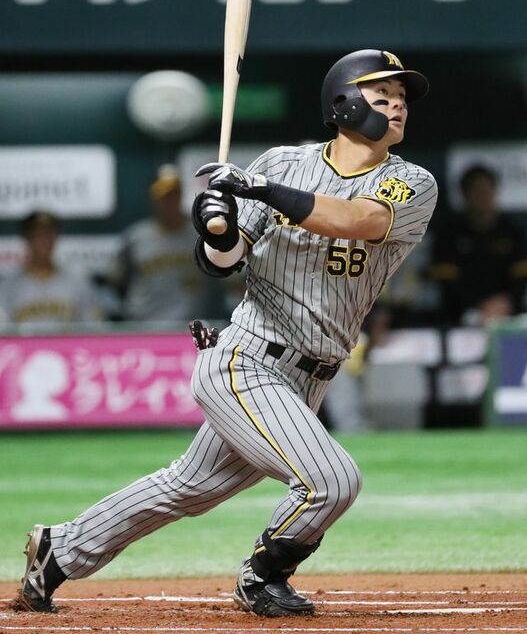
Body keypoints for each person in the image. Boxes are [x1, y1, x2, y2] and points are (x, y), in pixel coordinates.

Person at [14, 49, 437, 617]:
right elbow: (224, 262)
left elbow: (358, 220)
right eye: (383, 94)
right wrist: (217, 224)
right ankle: (263, 577)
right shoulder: (285, 163)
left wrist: (257, 190)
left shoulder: (411, 181)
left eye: (402, 98)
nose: (397, 106)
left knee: (190, 487)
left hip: (310, 375)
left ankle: (59, 550)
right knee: (332, 481)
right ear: (344, 101)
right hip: (246, 360)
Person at [110, 164, 216, 322]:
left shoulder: (202, 234)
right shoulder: (136, 237)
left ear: (181, 195)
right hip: (144, 325)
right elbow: (117, 281)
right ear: (154, 199)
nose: (170, 202)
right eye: (165, 197)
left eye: (174, 195)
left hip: (192, 325)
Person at [428, 164, 527, 325]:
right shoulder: (450, 233)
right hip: (462, 316)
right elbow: (447, 281)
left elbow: (521, 277)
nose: (483, 196)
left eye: (487, 190)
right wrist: (480, 306)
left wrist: (505, 302)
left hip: (508, 312)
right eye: (477, 191)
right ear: (465, 195)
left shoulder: (512, 231)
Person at [0, 211, 100, 327]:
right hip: (23, 344)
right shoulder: (8, 286)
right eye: (38, 235)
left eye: (48, 234)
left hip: (68, 344)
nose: (44, 240)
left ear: (55, 237)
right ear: (27, 238)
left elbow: (93, 327)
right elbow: (3, 333)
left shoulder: (77, 282)